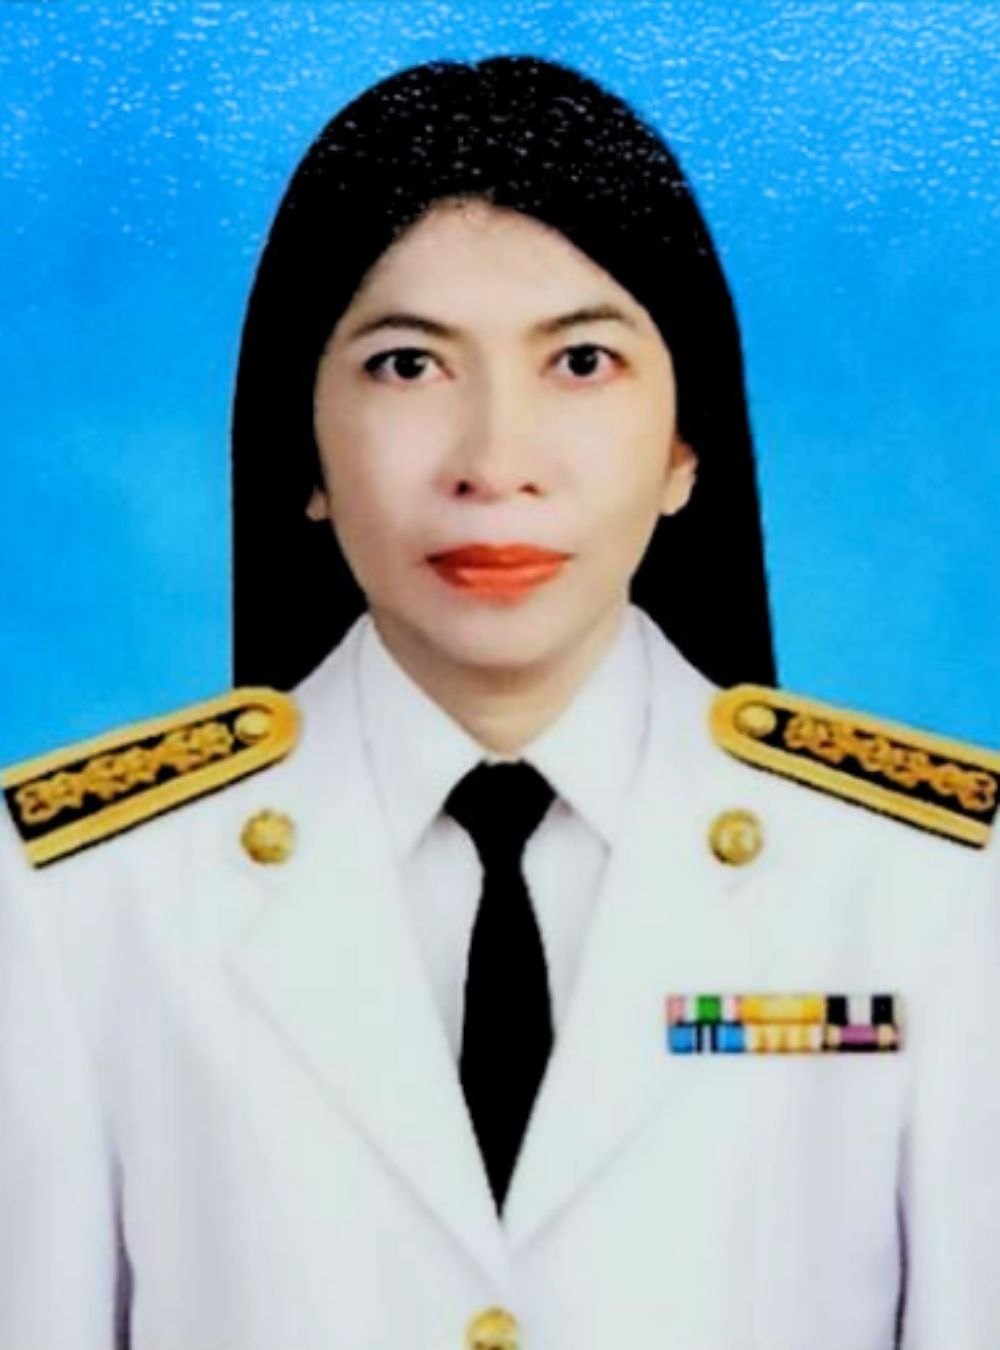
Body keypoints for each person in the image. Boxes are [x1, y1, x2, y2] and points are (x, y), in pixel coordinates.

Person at [1, 55, 999, 1350]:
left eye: (581, 361)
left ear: (687, 445)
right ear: (305, 451)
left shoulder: (929, 882)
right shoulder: (80, 896)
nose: (495, 463)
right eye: (408, 366)